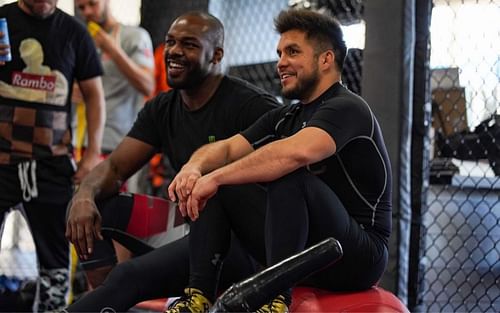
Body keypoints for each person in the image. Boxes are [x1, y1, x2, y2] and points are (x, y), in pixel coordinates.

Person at [167, 8, 392, 313]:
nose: (280, 63)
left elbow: (294, 153)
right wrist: (195, 169)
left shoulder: (348, 108)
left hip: (357, 255)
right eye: (279, 53)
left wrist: (215, 177)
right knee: (220, 176)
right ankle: (198, 297)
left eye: (292, 52)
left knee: (288, 173)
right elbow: (228, 149)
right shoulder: (288, 115)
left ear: (326, 59)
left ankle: (275, 300)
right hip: (306, 250)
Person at [64, 11, 280, 312]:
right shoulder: (163, 107)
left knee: (129, 274)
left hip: (239, 246)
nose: (175, 51)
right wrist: (83, 196)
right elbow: (114, 168)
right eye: (170, 43)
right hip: (189, 225)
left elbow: (284, 191)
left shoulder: (252, 106)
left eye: (189, 44)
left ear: (216, 55)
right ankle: (103, 294)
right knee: (93, 205)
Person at [0, 0, 105, 311]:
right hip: (1, 161)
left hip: (50, 163)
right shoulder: (2, 22)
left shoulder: (74, 32)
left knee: (55, 266)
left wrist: (92, 155)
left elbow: (95, 96)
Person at [74, 0, 155, 286]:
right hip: (80, 143)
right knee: (82, 223)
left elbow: (148, 85)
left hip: (122, 147)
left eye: (92, 5)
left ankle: (120, 294)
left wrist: (112, 48)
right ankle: (96, 296)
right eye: (81, 8)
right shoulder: (81, 39)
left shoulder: (135, 36)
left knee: (115, 220)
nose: (88, 13)